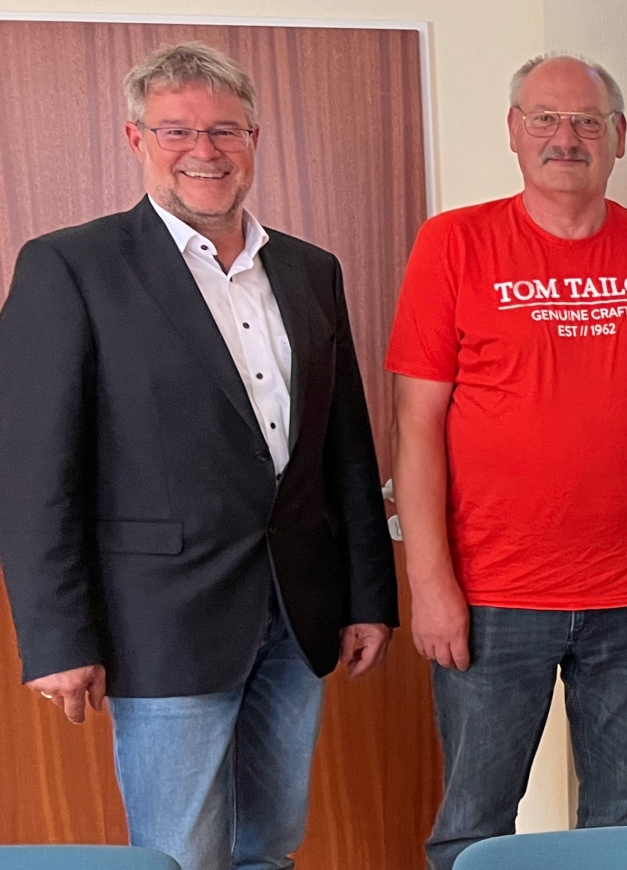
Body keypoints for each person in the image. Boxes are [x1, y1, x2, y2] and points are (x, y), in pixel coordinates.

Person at [0, 42, 397, 870]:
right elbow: (34, 472)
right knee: (181, 856)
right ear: (135, 138)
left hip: (299, 616)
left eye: (224, 130)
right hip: (162, 624)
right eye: (176, 130)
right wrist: (56, 638)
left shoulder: (309, 270)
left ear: (254, 138)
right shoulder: (70, 267)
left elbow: (346, 451)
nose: (204, 151)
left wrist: (368, 596)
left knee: (272, 846)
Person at [386, 52, 627, 869]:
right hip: (491, 595)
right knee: (475, 820)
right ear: (513, 132)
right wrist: (430, 583)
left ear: (618, 137)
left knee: (623, 817)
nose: (565, 136)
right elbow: (415, 426)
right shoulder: (453, 245)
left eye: (585, 121)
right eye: (544, 118)